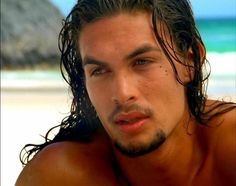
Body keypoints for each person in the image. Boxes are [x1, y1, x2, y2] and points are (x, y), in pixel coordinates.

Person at [16, 0, 236, 185]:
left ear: (190, 62)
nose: (122, 93)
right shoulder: (61, 175)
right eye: (99, 70)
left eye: (142, 61)